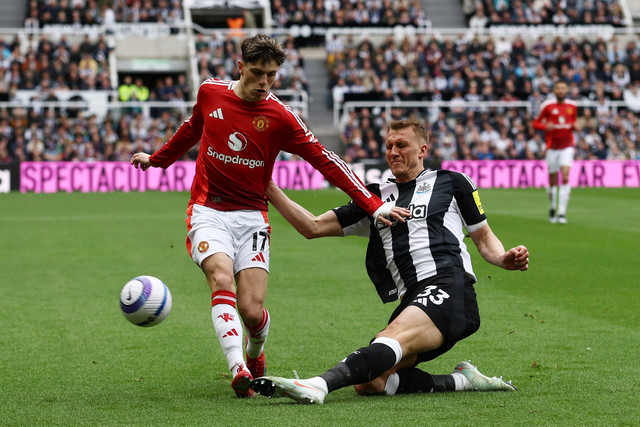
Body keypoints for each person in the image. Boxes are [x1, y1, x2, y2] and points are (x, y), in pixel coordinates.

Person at [130, 34, 398, 398]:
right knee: (221, 279)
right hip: (209, 210)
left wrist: (373, 204)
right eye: (257, 73)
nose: (264, 83)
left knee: (252, 311)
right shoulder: (211, 93)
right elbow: (192, 128)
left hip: (253, 217)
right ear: (240, 67)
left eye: (272, 75)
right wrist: (157, 159)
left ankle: (255, 354)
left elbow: (325, 161)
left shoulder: (281, 117)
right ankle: (238, 369)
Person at [251, 119, 529, 404]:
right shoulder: (374, 197)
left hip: (449, 286)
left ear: (422, 150)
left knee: (389, 341)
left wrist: (502, 257)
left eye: (401, 145)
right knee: (371, 380)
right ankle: (463, 381)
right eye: (389, 146)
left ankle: (318, 385)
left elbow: (483, 238)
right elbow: (312, 226)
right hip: (412, 300)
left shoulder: (452, 183)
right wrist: (268, 186)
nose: (393, 151)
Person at [533, 80, 580, 224]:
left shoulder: (572, 106)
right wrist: (545, 126)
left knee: (565, 176)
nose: (561, 90)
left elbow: (573, 123)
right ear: (554, 90)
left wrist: (576, 126)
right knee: (553, 180)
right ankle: (552, 207)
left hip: (567, 146)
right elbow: (535, 123)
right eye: (558, 88)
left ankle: (561, 212)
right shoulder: (547, 106)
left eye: (563, 88)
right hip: (552, 148)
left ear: (567, 90)